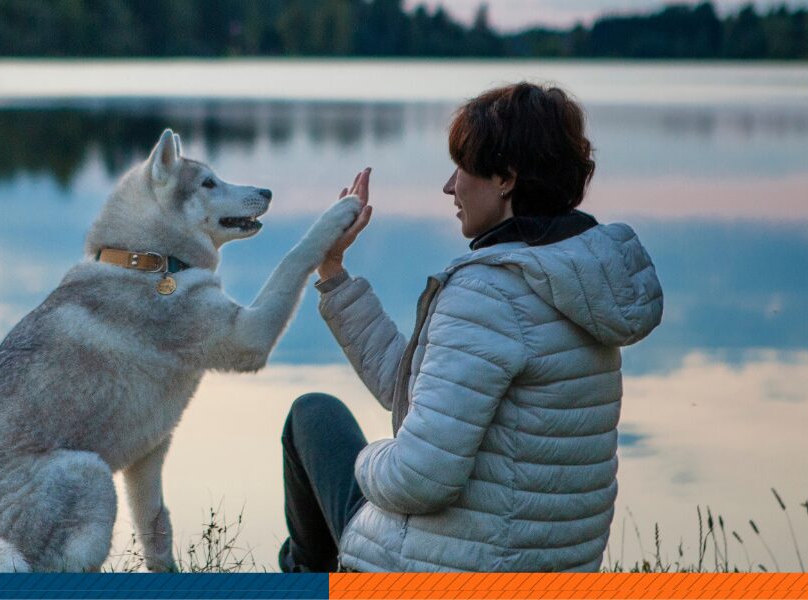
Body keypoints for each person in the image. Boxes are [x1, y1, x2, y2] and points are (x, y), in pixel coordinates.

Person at [278, 82, 664, 573]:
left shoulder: (490, 293)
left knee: (312, 417)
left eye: (461, 167)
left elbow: (418, 477)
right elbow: (415, 390)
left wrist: (365, 460)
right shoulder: (580, 283)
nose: (448, 186)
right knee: (322, 420)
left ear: (505, 178)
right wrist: (332, 270)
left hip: (451, 571)